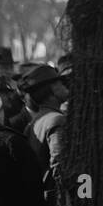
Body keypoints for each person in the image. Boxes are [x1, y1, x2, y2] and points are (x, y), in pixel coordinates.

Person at [22, 63, 68, 198]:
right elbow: (61, 167)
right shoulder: (56, 119)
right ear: (52, 88)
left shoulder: (34, 122)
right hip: (59, 201)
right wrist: (85, 195)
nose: (65, 86)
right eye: (60, 83)